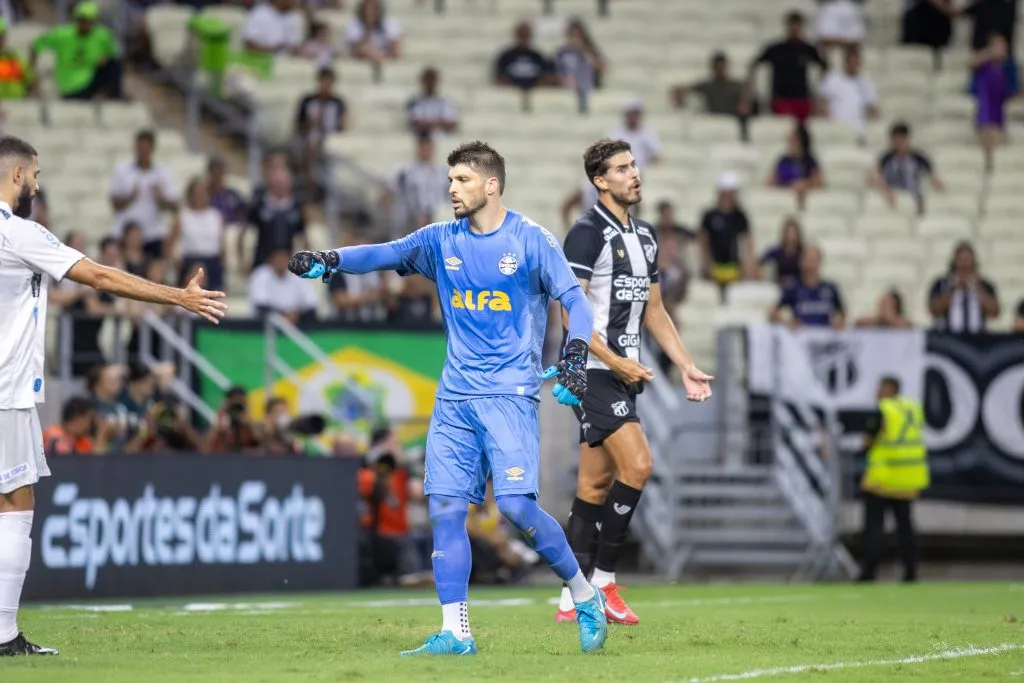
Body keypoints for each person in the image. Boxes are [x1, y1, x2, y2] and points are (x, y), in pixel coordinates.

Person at [289, 140, 608, 656]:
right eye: (450, 179)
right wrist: (331, 260)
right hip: (455, 395)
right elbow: (386, 253)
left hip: (509, 394)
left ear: (491, 185)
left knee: (516, 510)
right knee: (443, 508)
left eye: (461, 179)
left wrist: (574, 354)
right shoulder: (441, 240)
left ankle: (584, 593)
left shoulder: (530, 240)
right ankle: (456, 631)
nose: (451, 188)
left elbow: (574, 298)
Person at [0, 135, 226, 656]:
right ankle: (5, 634)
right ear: (16, 176)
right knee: (16, 498)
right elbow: (98, 275)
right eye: (34, 172)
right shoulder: (17, 233)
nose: (38, 181)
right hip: (6, 393)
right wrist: (179, 296)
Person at [555, 138, 713, 625]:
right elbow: (569, 315)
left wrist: (685, 364)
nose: (634, 174)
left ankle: (570, 597)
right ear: (600, 181)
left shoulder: (646, 236)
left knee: (595, 482)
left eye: (634, 165)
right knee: (640, 465)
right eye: (622, 169)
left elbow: (656, 312)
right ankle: (603, 584)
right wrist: (616, 362)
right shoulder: (584, 234)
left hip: (625, 373)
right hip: (594, 372)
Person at [858, 376, 929, 583]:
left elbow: (868, 440)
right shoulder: (913, 408)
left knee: (874, 527)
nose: (877, 392)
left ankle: (869, 572)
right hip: (907, 478)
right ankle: (910, 571)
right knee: (905, 527)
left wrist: (865, 446)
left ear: (890, 389)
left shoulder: (884, 409)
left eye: (880, 388)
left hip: (882, 477)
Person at [29, 1, 123, 100]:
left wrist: (105, 58)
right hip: (69, 85)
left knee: (114, 65)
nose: (84, 24)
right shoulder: (63, 34)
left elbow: (115, 55)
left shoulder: (102, 35)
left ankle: (115, 99)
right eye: (82, 20)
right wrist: (32, 74)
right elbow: (36, 46)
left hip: (90, 79)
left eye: (88, 20)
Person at [109, 130, 179, 259]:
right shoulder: (122, 170)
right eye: (140, 147)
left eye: (146, 147)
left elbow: (175, 206)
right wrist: (130, 197)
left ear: (153, 148)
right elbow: (114, 203)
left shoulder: (162, 173)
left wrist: (160, 198)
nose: (143, 151)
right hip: (127, 234)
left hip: (153, 234)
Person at [165, 177, 226, 292]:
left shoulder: (216, 216)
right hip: (190, 262)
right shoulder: (183, 216)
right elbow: (168, 244)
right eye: (197, 192)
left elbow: (221, 246)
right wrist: (177, 264)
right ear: (190, 194)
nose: (200, 195)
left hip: (212, 262)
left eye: (203, 192)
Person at [699, 172, 757, 287]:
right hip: (715, 268)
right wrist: (707, 266)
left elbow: (746, 243)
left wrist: (746, 267)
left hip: (735, 268)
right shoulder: (709, 216)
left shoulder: (740, 217)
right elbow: (703, 242)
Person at [927, 241, 999, 333]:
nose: (965, 263)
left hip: (978, 339)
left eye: (968, 259)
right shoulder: (941, 284)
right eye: (961, 259)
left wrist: (977, 289)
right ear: (954, 261)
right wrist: (954, 289)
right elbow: (933, 310)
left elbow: (994, 312)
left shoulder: (985, 285)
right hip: (948, 337)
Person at [971, 33, 1017, 172]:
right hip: (985, 111)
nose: (1001, 50)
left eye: (1003, 46)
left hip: (1000, 111)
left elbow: (1013, 89)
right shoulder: (984, 65)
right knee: (987, 136)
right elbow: (972, 62)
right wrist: (989, 53)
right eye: (997, 46)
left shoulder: (1009, 67)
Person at [770, 245, 845, 328]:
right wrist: (787, 322)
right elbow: (774, 313)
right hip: (801, 337)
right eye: (808, 259)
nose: (811, 264)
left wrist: (838, 320)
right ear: (801, 262)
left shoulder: (830, 289)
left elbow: (842, 312)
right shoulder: (793, 289)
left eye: (814, 260)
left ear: (820, 261)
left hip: (825, 337)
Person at [759, 217, 804, 288]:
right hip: (777, 288)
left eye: (794, 233)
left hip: (799, 289)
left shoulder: (803, 254)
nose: (791, 237)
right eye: (788, 233)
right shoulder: (774, 253)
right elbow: (761, 265)